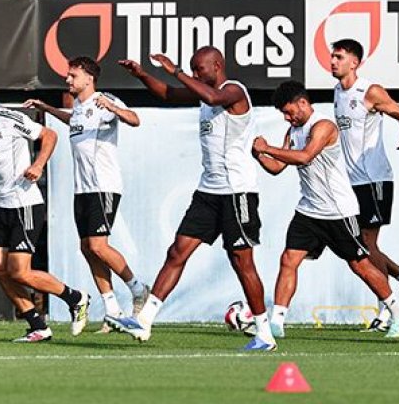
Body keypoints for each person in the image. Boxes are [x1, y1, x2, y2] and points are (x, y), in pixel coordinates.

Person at [107, 47, 277, 351]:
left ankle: (264, 333)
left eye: (200, 69)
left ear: (217, 65)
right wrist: (143, 74)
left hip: (237, 192)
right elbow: (168, 94)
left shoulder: (234, 91)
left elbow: (212, 97)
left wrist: (176, 71)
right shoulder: (203, 93)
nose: (196, 74)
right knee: (177, 252)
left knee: (242, 262)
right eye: (193, 70)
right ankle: (144, 320)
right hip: (208, 192)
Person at [253, 81, 399, 340]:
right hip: (309, 210)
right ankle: (276, 323)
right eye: (283, 114)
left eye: (288, 112)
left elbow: (305, 156)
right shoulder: (293, 131)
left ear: (302, 103)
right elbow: (277, 167)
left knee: (360, 265)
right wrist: (258, 154)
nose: (287, 118)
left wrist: (267, 148)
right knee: (288, 260)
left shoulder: (324, 126)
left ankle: (398, 312)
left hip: (337, 211)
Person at [0, 69, 90, 343]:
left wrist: (38, 165)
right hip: (2, 206)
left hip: (24, 204)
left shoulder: (8, 118)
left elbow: (49, 135)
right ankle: (37, 325)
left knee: (19, 271)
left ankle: (75, 298)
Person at [25, 57, 150, 332]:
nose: (67, 79)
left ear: (89, 79)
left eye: (73, 75)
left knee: (98, 246)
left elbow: (135, 120)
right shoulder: (79, 107)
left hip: (103, 186)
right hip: (82, 189)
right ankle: (112, 309)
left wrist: (113, 108)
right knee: (87, 247)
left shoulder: (103, 100)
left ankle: (138, 289)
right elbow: (73, 121)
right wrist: (47, 108)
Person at [329, 39, 399, 331]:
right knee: (357, 245)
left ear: (354, 62)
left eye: (339, 57)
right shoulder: (337, 91)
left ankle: (388, 310)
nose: (333, 61)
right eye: (332, 56)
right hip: (350, 181)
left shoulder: (370, 91)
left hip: (374, 179)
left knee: (367, 245)